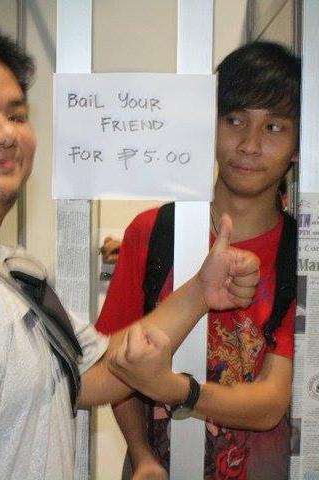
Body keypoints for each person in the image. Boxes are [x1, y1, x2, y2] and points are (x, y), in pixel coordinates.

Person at [0, 26, 259, 480]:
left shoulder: (3, 268)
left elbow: (99, 372)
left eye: (17, 115)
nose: (6, 134)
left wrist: (199, 293)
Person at [98, 41, 300, 480]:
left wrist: (175, 389)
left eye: (274, 127)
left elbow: (271, 403)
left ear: (299, 146)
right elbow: (112, 361)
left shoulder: (300, 254)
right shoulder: (152, 232)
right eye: (234, 120)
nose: (249, 144)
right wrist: (142, 455)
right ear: (209, 124)